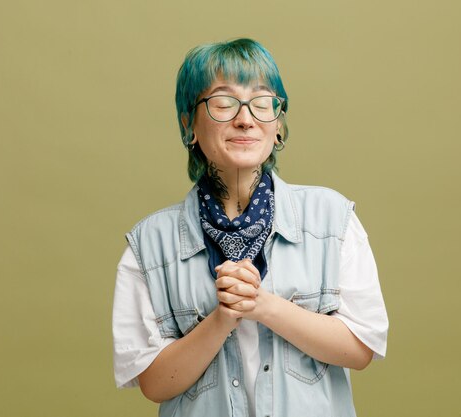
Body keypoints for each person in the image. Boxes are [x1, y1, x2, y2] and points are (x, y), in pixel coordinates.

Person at [113, 38, 388, 417]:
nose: (246, 119)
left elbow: (361, 348)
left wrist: (263, 306)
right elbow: (154, 383)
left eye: (262, 102)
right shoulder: (149, 246)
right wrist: (222, 317)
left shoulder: (333, 219)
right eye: (224, 103)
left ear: (278, 125)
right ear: (188, 123)